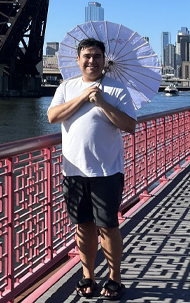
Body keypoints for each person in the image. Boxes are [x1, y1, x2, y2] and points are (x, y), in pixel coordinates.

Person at [47, 38, 136, 300]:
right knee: (83, 226)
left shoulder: (117, 89)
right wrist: (84, 96)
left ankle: (114, 279)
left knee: (108, 226)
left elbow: (130, 125)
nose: (91, 61)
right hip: (73, 172)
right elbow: (52, 116)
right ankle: (88, 275)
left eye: (97, 56)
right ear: (78, 60)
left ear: (104, 60)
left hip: (106, 172)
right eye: (86, 56)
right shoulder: (66, 87)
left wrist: (102, 102)